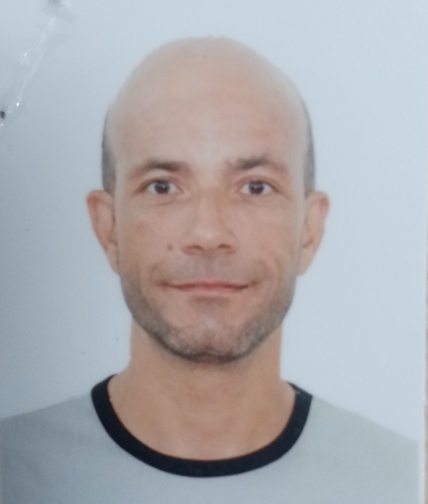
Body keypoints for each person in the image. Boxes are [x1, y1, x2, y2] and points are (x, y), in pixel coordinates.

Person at [0, 37, 419, 503]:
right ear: (109, 228)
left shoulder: (404, 484)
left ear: (309, 229)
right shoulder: (12, 473)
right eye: (163, 187)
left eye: (255, 187)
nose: (208, 232)